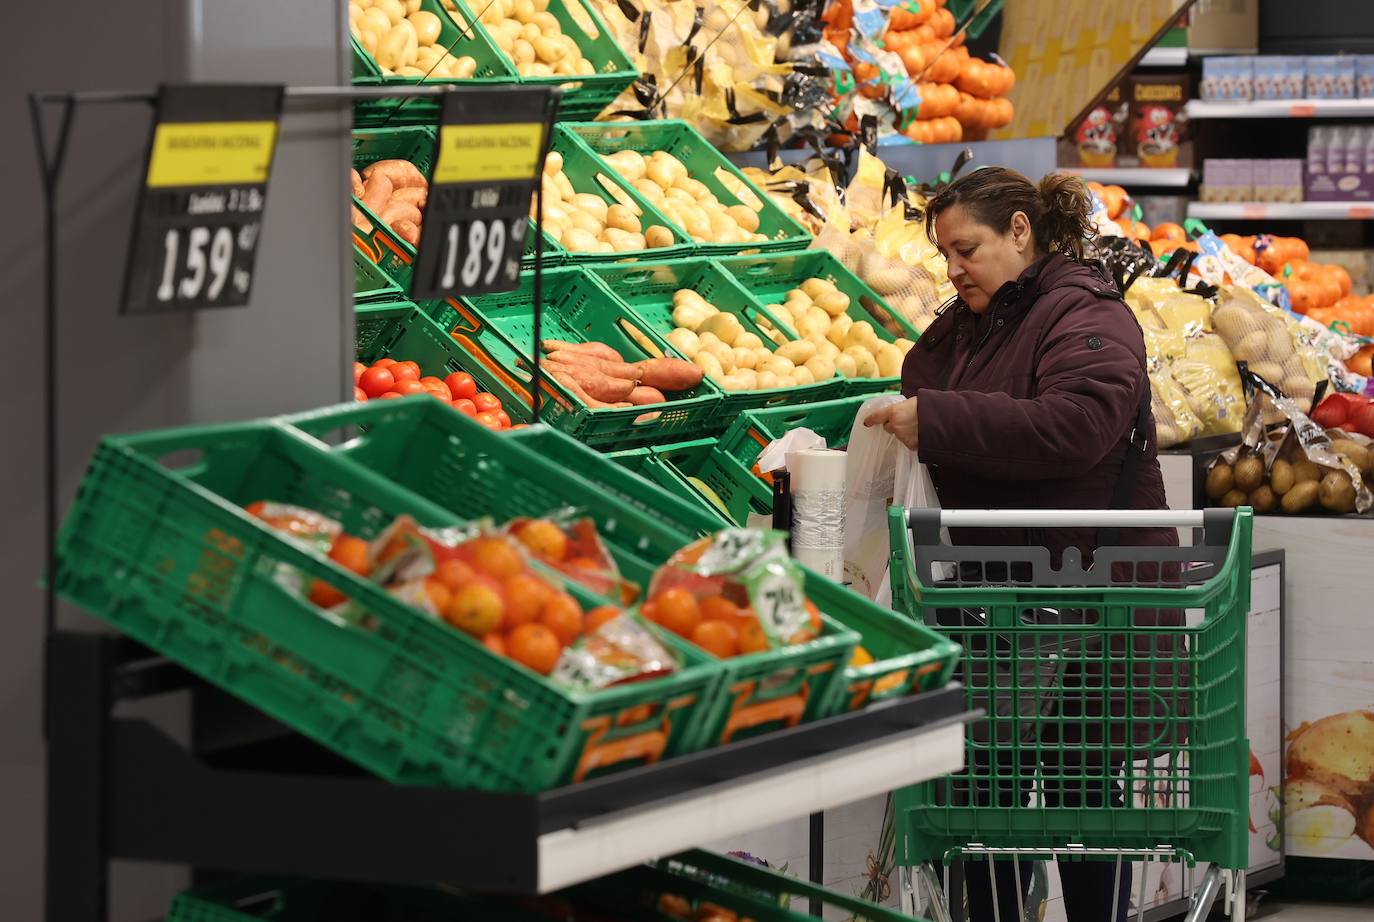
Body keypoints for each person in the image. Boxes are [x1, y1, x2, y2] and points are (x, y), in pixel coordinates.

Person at [864, 167, 1179, 922]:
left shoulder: (1085, 312)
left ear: (1019, 231)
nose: (951, 268)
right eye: (942, 253)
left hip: (1088, 600)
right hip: (998, 601)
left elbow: (1078, 424)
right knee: (985, 787)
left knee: (1079, 785)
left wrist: (936, 422)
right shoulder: (968, 323)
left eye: (965, 248)